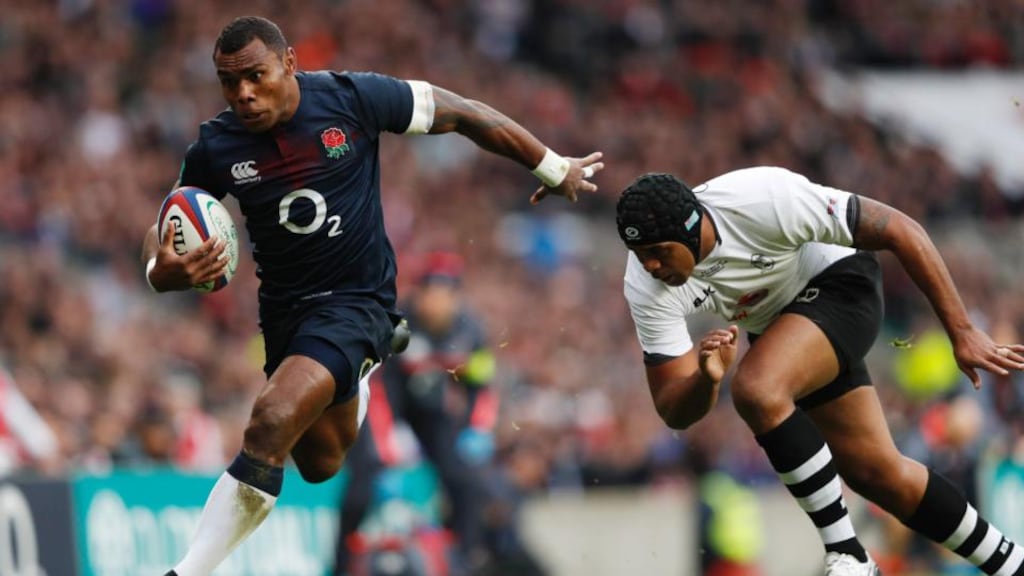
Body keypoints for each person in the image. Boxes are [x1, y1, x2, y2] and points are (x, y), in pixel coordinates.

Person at [139, 16, 603, 576]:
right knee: (320, 463)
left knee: (270, 420)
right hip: (286, 316)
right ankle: (357, 381)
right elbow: (168, 220)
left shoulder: (352, 98)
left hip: (357, 304)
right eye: (228, 82)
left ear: (289, 63)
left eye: (255, 76)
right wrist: (159, 270)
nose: (243, 93)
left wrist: (552, 166)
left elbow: (463, 112)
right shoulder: (218, 144)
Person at [614, 168, 1024, 576]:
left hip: (842, 286)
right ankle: (1011, 564)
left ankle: (849, 554)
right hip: (783, 329)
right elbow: (674, 410)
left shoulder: (761, 199)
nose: (650, 264)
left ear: (690, 226)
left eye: (658, 250)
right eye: (640, 253)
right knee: (878, 474)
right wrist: (706, 379)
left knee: (757, 387)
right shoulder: (645, 284)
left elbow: (900, 229)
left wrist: (962, 331)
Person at [334, 251, 500, 575]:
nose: (436, 302)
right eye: (430, 292)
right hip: (385, 414)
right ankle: (340, 564)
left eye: (445, 294)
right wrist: (388, 443)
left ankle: (462, 562)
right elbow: (377, 389)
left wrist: (477, 429)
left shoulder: (471, 332)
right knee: (360, 491)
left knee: (466, 483)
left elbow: (481, 388)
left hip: (431, 415)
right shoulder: (397, 326)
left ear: (456, 298)